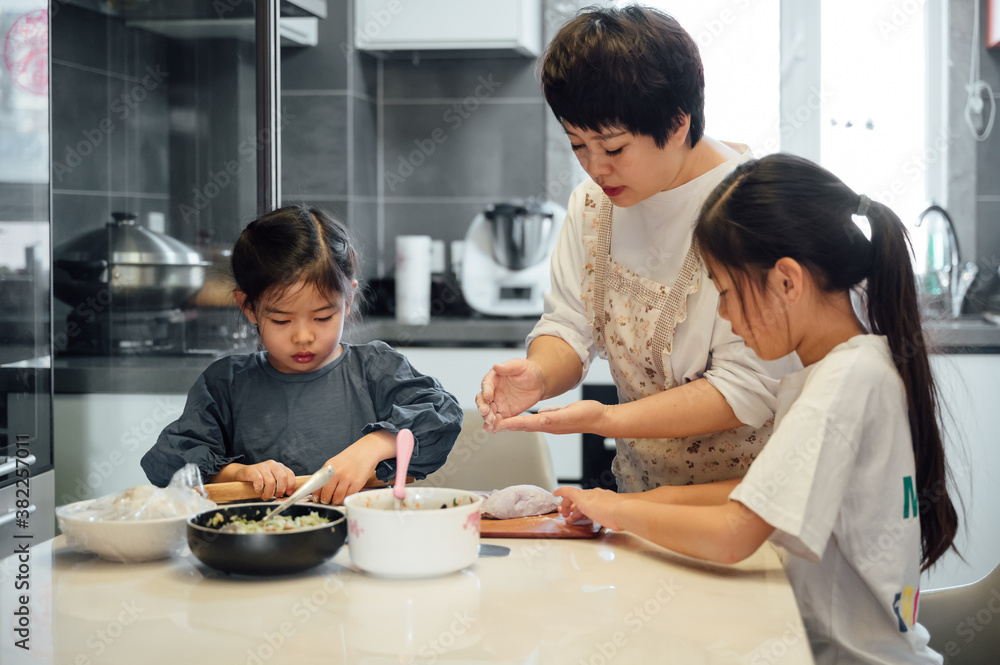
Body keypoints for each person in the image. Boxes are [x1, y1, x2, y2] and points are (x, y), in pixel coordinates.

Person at [555, 153, 960, 664]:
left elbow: (735, 535)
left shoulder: (845, 381)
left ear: (787, 282)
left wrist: (615, 510)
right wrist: (610, 505)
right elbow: (753, 497)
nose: (723, 313)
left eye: (724, 291)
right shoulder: (854, 365)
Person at [476, 5, 799, 491]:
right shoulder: (592, 207)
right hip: (641, 501)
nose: (594, 169)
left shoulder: (755, 211)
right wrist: (539, 375)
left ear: (677, 124)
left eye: (613, 148)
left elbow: (748, 387)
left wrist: (606, 419)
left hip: (746, 505)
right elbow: (569, 323)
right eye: (577, 145)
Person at [141, 205, 462, 504]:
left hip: (364, 543)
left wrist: (374, 446)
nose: (304, 336)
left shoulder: (377, 368)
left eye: (323, 317)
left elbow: (442, 416)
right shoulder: (226, 383)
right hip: (261, 549)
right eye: (281, 320)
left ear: (348, 299)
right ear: (248, 307)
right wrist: (239, 474)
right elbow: (169, 460)